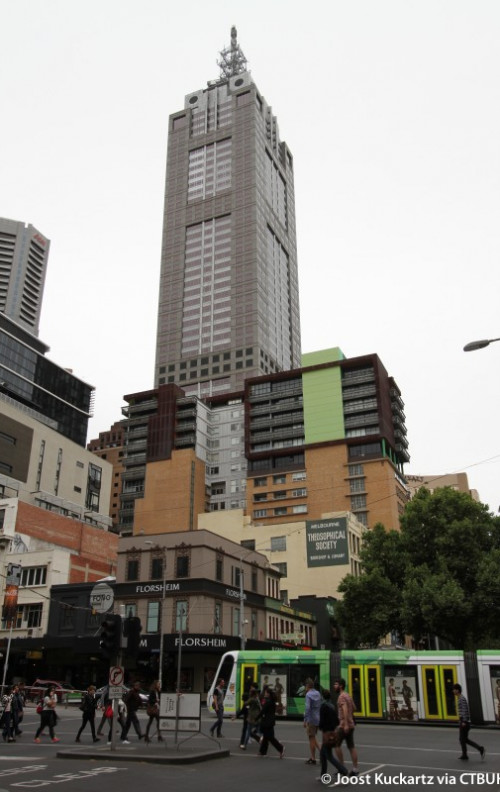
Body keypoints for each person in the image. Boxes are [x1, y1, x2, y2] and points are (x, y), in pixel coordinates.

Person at [318, 689, 350, 782]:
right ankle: (323, 775)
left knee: (328, 755)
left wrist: (320, 727)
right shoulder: (332, 705)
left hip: (326, 733)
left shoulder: (323, 706)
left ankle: (343, 770)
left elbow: (322, 721)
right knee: (323, 754)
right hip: (332, 731)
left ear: (323, 697)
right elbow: (336, 720)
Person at [452, 684, 485, 761]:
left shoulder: (461, 699)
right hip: (463, 721)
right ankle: (470, 752)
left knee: (462, 739)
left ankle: (476, 750)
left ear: (457, 690)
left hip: (464, 722)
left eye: (454, 689)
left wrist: (464, 721)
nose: (453, 691)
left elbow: (465, 710)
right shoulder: (460, 698)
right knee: (464, 739)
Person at [336, 678, 359, 776]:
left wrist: (345, 723)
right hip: (351, 724)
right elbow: (354, 708)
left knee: (336, 745)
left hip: (343, 725)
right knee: (351, 747)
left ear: (341, 686)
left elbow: (345, 709)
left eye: (336, 684)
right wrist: (350, 718)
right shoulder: (348, 695)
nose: (334, 686)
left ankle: (342, 768)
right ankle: (355, 769)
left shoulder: (341, 697)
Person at [256, 687, 285, 758]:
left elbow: (263, 711)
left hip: (267, 722)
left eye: (266, 692)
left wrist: (256, 718)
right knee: (266, 737)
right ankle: (262, 752)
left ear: (268, 694)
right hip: (270, 721)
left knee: (270, 738)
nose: (265, 693)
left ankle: (281, 748)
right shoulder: (271, 701)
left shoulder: (268, 702)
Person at [304, 679, 322, 764]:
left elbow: (307, 708)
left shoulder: (308, 695)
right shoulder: (318, 693)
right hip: (317, 718)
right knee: (313, 737)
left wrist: (305, 720)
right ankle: (321, 753)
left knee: (311, 738)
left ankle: (313, 758)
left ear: (307, 686)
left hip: (311, 719)